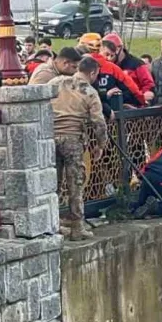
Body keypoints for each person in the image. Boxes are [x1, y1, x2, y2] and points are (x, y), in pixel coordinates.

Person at [50, 55, 106, 241]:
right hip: (73, 139)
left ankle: (53, 225)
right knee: (75, 185)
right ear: (93, 72)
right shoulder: (89, 92)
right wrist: (100, 145)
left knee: (53, 185)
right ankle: (77, 228)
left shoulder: (57, 81)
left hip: (50, 137)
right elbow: (99, 123)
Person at [103, 33, 155, 103]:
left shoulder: (137, 64)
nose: (107, 58)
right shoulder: (105, 66)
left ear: (119, 49)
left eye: (110, 54)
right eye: (106, 54)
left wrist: (140, 97)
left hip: (134, 107)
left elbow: (149, 85)